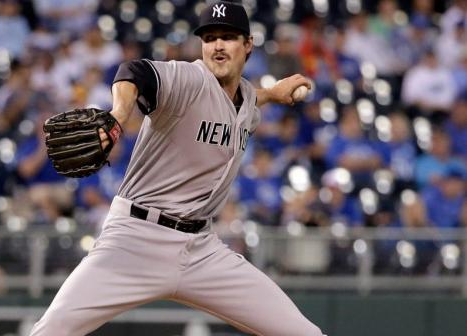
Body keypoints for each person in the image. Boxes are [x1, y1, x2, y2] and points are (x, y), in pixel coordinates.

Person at [30, 2, 324, 336]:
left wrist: (271, 93)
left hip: (201, 250)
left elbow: (244, 98)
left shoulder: (247, 101)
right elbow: (134, 72)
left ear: (248, 45)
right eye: (209, 37)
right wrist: (120, 114)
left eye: (227, 37)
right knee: (52, 331)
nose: (217, 45)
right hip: (135, 240)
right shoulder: (189, 79)